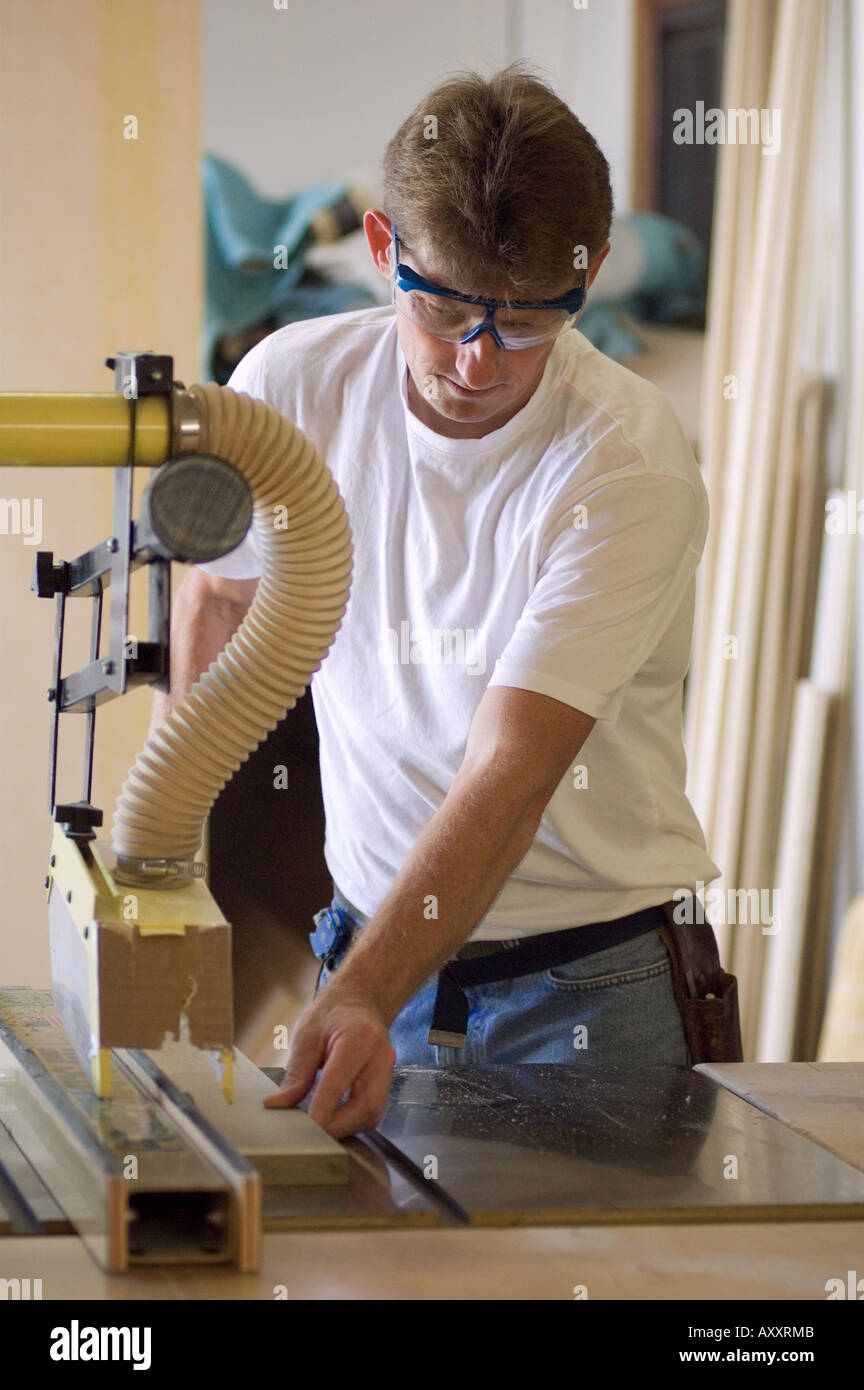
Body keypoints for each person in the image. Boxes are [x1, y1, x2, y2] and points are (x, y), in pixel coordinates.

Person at [153, 63, 723, 1139]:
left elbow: (512, 771)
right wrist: (171, 864)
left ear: (590, 274)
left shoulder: (626, 463)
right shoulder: (290, 387)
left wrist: (366, 991)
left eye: (523, 323)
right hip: (366, 948)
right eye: (447, 307)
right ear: (382, 250)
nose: (475, 360)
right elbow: (220, 605)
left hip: (583, 990)